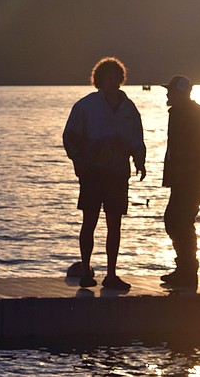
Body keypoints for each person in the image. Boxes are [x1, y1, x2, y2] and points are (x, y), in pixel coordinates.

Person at [62, 57, 146, 292]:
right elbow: (70, 137)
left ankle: (111, 274)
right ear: (99, 80)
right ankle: (86, 270)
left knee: (114, 224)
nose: (112, 81)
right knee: (89, 222)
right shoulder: (85, 106)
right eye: (107, 76)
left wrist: (140, 161)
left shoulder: (129, 108)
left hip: (118, 172)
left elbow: (137, 137)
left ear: (120, 79)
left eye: (115, 76)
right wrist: (79, 162)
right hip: (93, 172)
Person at [159, 75, 200, 288]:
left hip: (191, 179)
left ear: (180, 93)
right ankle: (184, 269)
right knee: (176, 221)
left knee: (179, 222)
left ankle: (187, 271)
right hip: (183, 178)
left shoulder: (193, 114)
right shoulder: (180, 112)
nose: (167, 94)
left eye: (170, 91)